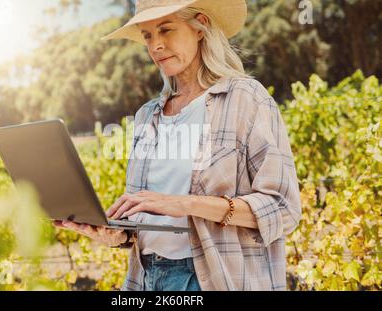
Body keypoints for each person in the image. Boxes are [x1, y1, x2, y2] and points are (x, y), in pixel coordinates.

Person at [54, 0, 302, 291]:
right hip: (146, 278)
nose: (156, 45)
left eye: (166, 29)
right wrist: (117, 234)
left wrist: (184, 204)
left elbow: (283, 208)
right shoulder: (148, 116)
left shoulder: (245, 98)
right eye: (147, 35)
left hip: (211, 279)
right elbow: (146, 221)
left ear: (200, 26)